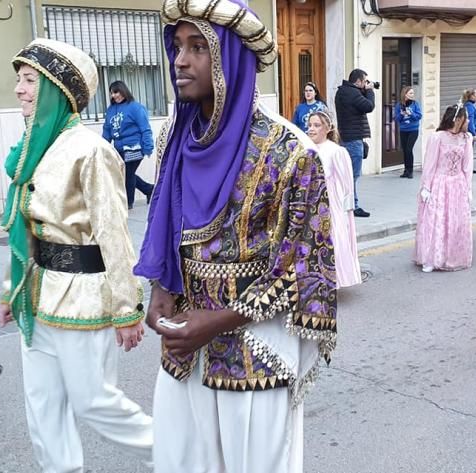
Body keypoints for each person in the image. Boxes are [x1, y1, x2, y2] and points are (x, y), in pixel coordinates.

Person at [138, 1, 338, 472]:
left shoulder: (290, 154)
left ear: (229, 59)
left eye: (197, 47)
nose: (179, 61)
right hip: (185, 349)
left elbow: (308, 274)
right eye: (177, 46)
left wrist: (219, 320)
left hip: (254, 356)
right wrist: (161, 290)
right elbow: (165, 229)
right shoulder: (175, 138)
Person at [0, 39, 154, 472]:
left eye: (30, 81)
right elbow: (24, 228)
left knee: (94, 404)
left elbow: (113, 231)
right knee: (43, 406)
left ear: (56, 89)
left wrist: (127, 307)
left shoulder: (90, 150)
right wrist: (12, 288)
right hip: (39, 295)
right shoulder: (34, 148)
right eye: (19, 80)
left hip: (83, 297)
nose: (19, 89)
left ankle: (182, 456)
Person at [415, 103, 473, 273]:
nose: (467, 121)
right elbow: (430, 164)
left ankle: (452, 256)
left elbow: (468, 165)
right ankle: (431, 258)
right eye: (465, 118)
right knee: (435, 220)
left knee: (455, 221)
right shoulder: (437, 137)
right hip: (440, 183)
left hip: (458, 183)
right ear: (458, 119)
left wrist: (468, 188)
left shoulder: (466, 138)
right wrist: (426, 186)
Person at [307, 110, 362, 287]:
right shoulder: (305, 148)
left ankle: (333, 277)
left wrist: (346, 210)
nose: (311, 129)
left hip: (329, 202)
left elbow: (346, 182)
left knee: (332, 239)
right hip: (309, 200)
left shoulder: (336, 151)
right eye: (310, 125)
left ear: (327, 129)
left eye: (316, 125)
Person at [103, 80, 155, 209]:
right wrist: (103, 147)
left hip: (134, 147)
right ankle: (150, 190)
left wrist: (148, 147)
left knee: (128, 173)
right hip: (119, 148)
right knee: (124, 173)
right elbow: (107, 130)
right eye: (112, 93)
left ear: (123, 91)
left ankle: (128, 203)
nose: (114, 95)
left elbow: (145, 128)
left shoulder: (136, 107)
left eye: (116, 92)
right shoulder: (110, 110)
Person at [335, 68, 376, 218]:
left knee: (348, 174)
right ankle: (353, 206)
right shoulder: (352, 93)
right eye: (364, 81)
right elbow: (368, 106)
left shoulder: (343, 91)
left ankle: (349, 203)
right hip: (353, 140)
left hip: (346, 137)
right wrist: (370, 91)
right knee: (353, 175)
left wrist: (364, 91)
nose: (366, 84)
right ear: (358, 81)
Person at [394, 85, 422, 178]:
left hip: (413, 130)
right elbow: (397, 118)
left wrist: (411, 113)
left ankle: (410, 171)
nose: (412, 95)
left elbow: (419, 116)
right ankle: (406, 170)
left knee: (409, 149)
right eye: (410, 93)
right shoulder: (399, 105)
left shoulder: (415, 104)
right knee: (405, 150)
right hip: (403, 130)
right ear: (405, 94)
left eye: (413, 93)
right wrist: (402, 114)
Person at [463, 88, 476, 174]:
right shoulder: (469, 106)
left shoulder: (471, 105)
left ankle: (468, 166)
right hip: (470, 132)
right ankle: (467, 167)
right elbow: (470, 120)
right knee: (468, 151)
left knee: (469, 150)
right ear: (471, 96)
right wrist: (473, 133)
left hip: (471, 131)